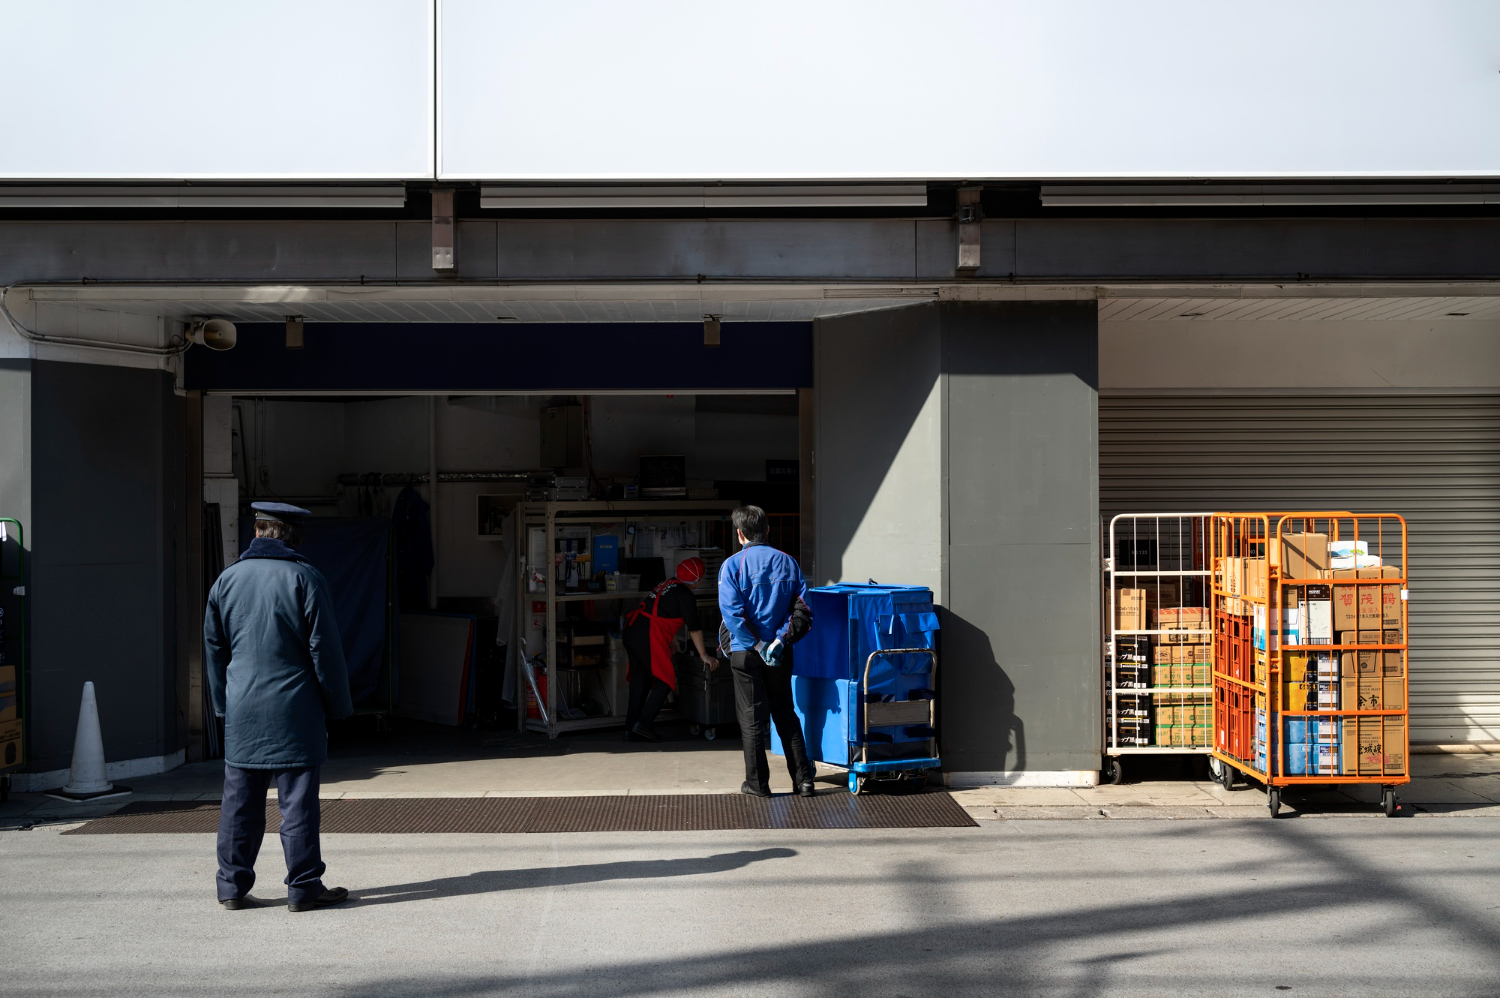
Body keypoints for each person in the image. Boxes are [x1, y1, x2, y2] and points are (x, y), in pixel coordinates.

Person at [204, 502, 353, 911]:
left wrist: (223, 705)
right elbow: (325, 649)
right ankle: (303, 887)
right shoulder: (305, 578)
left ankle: (232, 888)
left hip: (243, 709)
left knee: (239, 803)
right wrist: (338, 705)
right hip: (295, 709)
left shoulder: (226, 581)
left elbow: (214, 651)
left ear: (257, 531)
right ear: (294, 536)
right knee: (297, 803)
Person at [717, 505, 816, 798]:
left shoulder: (732, 566)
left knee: (751, 718)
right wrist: (779, 641)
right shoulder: (789, 563)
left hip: (745, 652)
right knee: (785, 713)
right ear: (767, 530)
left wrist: (757, 644)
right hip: (778, 652)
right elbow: (804, 611)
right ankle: (804, 781)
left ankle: (758, 785)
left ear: (739, 534)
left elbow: (732, 615)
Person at [622, 557, 717, 741]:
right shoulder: (685, 595)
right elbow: (694, 628)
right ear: (698, 581)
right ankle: (642, 724)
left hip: (633, 630)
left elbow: (661, 612)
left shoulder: (666, 583)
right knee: (665, 681)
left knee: (639, 681)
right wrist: (704, 655)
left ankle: (630, 729)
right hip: (647, 635)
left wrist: (672, 641)